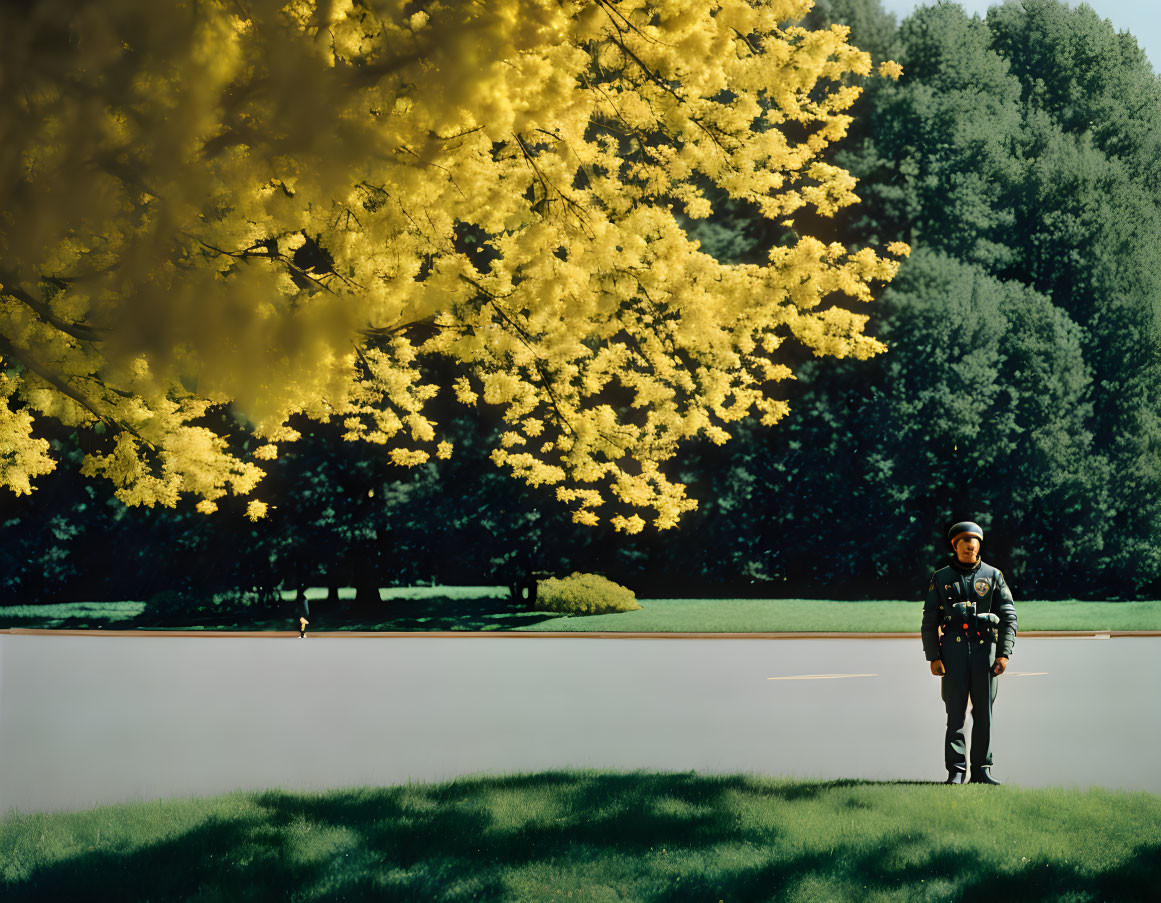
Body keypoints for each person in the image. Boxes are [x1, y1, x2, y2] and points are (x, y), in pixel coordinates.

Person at [921, 521, 1017, 785]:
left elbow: (1009, 617)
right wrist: (933, 656)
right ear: (955, 545)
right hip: (952, 650)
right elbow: (929, 620)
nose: (969, 547)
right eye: (963, 542)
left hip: (985, 649)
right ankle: (956, 770)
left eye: (973, 543)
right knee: (955, 713)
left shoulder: (993, 576)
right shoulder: (941, 578)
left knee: (984, 713)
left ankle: (982, 770)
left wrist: (1004, 654)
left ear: (979, 545)